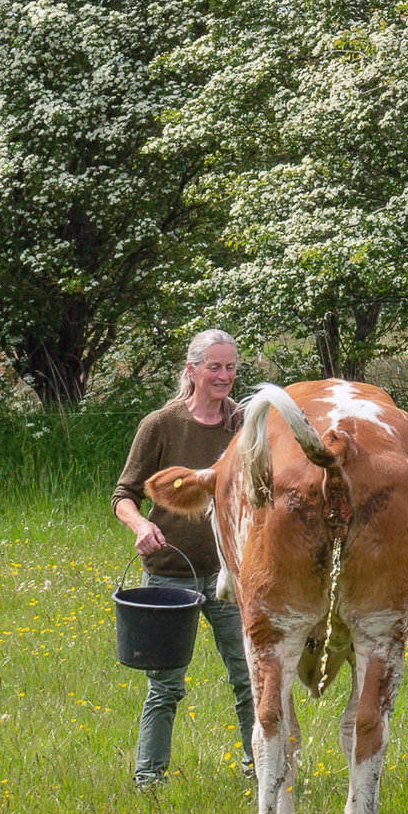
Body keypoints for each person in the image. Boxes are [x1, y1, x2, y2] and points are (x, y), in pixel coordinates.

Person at [111, 330, 256, 790]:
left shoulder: (246, 424)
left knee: (249, 678)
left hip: (231, 575)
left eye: (231, 367)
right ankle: (149, 778)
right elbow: (123, 494)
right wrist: (141, 527)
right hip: (168, 577)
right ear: (192, 370)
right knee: (166, 686)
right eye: (215, 367)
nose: (225, 376)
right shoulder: (161, 424)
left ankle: (263, 770)